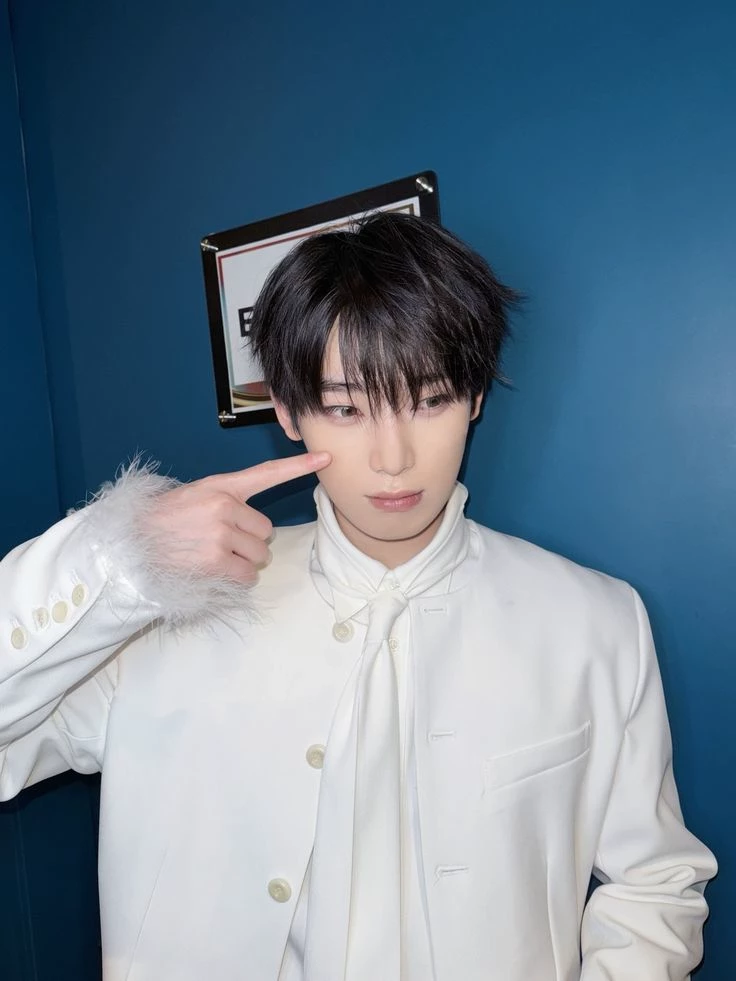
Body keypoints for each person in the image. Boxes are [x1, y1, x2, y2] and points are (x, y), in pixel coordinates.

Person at [0, 213, 716, 981]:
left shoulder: (594, 621)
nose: (393, 456)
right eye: (346, 408)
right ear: (287, 411)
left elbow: (655, 881)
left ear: (475, 396)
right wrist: (116, 559)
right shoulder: (164, 610)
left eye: (430, 400)